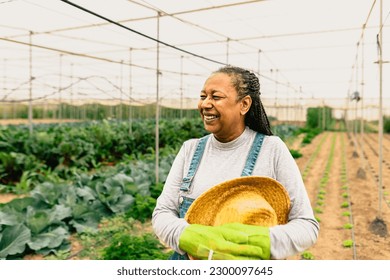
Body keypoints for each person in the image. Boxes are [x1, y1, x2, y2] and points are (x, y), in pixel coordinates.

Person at [152, 65, 319, 260]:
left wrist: (264, 242)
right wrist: (185, 235)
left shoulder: (271, 149)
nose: (205, 104)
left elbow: (307, 225)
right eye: (203, 96)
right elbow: (162, 212)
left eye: (216, 97)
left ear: (244, 105)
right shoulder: (190, 150)